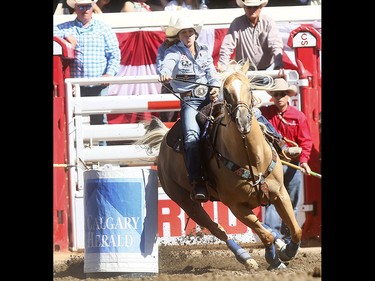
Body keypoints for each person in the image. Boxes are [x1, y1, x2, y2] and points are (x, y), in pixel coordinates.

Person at [158, 15, 220, 203]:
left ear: (195, 33)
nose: (188, 35)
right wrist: (165, 73)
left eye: (190, 32)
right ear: (179, 35)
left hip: (210, 98)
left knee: (235, 120)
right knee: (191, 136)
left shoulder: (203, 51)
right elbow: (166, 66)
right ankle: (197, 181)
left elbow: (211, 72)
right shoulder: (174, 53)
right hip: (190, 101)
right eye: (184, 32)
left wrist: (215, 86)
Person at [54, 0, 121, 145]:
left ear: (92, 8)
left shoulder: (104, 29)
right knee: (72, 121)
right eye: (81, 7)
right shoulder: (65, 28)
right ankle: (76, 154)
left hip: (98, 83)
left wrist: (109, 74)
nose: (85, 10)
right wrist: (65, 35)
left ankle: (101, 155)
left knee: (99, 120)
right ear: (76, 9)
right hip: (74, 86)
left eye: (87, 7)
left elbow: (114, 54)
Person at [260, 78, 313, 243]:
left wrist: (304, 161)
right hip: (272, 165)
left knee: (291, 201)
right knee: (272, 199)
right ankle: (273, 237)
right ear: (272, 97)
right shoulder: (264, 114)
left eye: (282, 94)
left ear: (288, 96)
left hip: (293, 165)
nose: (279, 97)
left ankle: (288, 235)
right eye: (276, 94)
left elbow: (305, 142)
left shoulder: (298, 117)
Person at [218, 0, 284, 71]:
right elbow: (227, 47)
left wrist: (278, 65)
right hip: (244, 71)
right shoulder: (237, 23)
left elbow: (275, 45)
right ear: (244, 8)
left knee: (280, 82)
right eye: (249, 7)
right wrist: (222, 66)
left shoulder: (268, 22)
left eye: (255, 7)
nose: (252, 10)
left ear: (260, 8)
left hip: (267, 69)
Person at [156, 15, 180, 122]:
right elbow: (160, 67)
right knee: (167, 118)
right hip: (170, 84)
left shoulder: (188, 46)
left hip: (184, 84)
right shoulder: (163, 47)